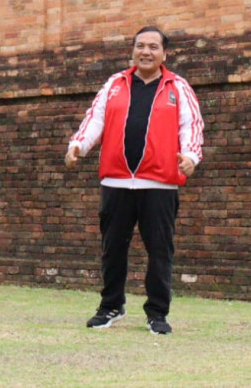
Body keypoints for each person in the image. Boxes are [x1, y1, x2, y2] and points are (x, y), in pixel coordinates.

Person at [64, 25, 205, 335]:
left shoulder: (177, 87)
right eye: (141, 45)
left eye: (153, 47)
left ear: (164, 54)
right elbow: (95, 119)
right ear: (133, 50)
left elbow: (191, 126)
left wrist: (191, 157)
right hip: (116, 183)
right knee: (112, 248)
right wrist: (78, 145)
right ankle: (111, 306)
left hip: (159, 184)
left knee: (159, 251)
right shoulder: (115, 84)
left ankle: (157, 314)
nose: (146, 51)